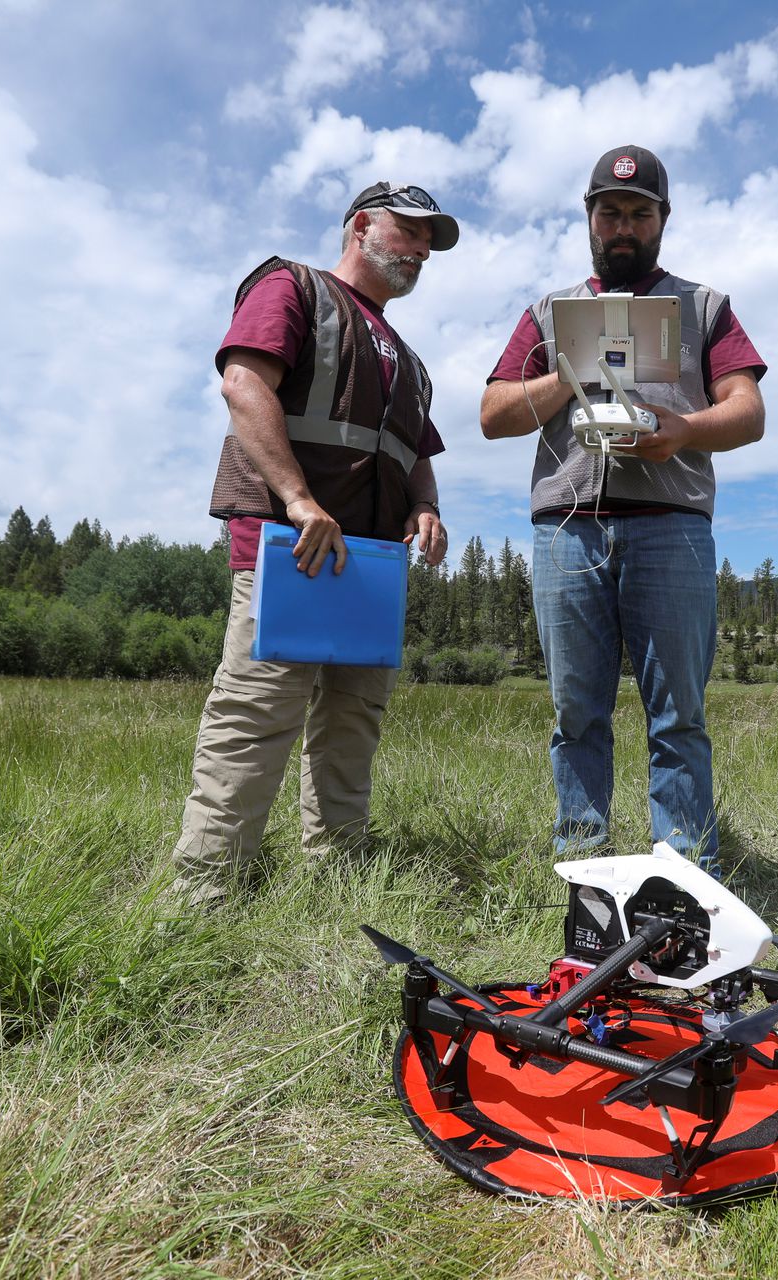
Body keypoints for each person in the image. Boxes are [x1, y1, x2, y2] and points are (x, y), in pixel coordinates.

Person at [169, 181, 458, 908]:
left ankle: (340, 875)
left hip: (371, 567)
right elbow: (244, 385)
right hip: (288, 549)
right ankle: (207, 901)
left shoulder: (411, 360)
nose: (421, 250)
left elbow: (415, 450)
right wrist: (298, 499)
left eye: (431, 242)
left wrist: (425, 505)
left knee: (353, 724)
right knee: (256, 719)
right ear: (361, 226)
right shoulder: (289, 286)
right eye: (409, 231)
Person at [480, 145, 766, 876]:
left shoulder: (704, 307)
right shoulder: (547, 313)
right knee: (576, 713)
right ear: (589, 217)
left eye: (641, 213)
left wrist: (685, 431)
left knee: (680, 717)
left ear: (663, 220)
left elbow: (749, 412)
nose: (624, 227)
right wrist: (571, 370)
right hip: (567, 530)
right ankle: (583, 867)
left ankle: (684, 875)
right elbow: (493, 414)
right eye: (611, 212)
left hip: (671, 528)